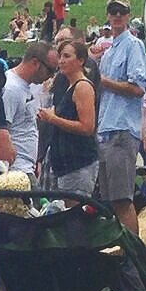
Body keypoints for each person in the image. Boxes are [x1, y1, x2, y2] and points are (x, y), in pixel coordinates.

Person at [92, 0, 146, 239]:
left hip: (122, 130)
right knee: (110, 202)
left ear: (128, 15)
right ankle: (121, 252)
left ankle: (135, 259)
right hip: (106, 130)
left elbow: (138, 88)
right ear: (107, 15)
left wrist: (103, 81)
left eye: (122, 11)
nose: (117, 15)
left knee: (123, 200)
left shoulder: (133, 45)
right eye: (113, 11)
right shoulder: (108, 51)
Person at [40, 35, 101, 198]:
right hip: (64, 164)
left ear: (81, 60)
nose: (61, 61)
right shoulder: (68, 86)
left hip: (78, 163)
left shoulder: (82, 87)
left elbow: (87, 127)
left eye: (67, 56)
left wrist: (54, 119)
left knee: (73, 216)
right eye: (60, 57)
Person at [1, 42, 50, 176]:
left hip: (27, 165)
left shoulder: (25, 86)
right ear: (35, 63)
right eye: (50, 70)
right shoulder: (12, 88)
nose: (50, 76)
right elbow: (3, 130)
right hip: (16, 170)